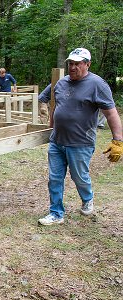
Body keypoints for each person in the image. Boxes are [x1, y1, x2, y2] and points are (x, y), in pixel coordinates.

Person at [37, 47, 123, 226]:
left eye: (77, 64)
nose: (73, 67)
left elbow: (111, 113)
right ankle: (56, 213)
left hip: (81, 142)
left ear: (87, 64)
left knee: (79, 177)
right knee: (55, 178)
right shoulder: (60, 83)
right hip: (57, 141)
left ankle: (87, 198)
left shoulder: (97, 84)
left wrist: (118, 140)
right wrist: (51, 127)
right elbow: (55, 106)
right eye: (70, 64)